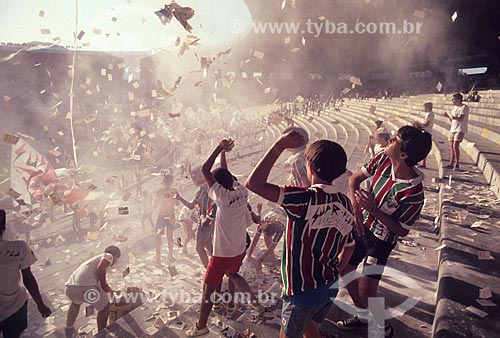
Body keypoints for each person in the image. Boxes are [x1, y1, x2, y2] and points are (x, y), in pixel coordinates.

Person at [245, 133, 356, 338]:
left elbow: (254, 184)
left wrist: (279, 145)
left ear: (310, 169)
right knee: (310, 327)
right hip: (329, 287)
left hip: (301, 293)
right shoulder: (345, 203)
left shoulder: (303, 199)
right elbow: (349, 246)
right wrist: (337, 270)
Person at [337, 126, 431, 338]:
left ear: (404, 154)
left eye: (395, 140)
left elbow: (401, 230)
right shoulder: (382, 159)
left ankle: (381, 329)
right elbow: (354, 180)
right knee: (345, 271)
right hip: (360, 225)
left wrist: (373, 210)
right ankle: (363, 317)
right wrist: (357, 212)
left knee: (367, 289)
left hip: (380, 239)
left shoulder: (413, 193)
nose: (389, 140)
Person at [186, 139, 267, 337]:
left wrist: (219, 148)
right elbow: (225, 172)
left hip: (222, 253)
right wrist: (224, 153)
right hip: (239, 249)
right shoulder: (241, 191)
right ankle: (257, 306)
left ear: (216, 185)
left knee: (208, 289)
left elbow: (206, 169)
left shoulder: (221, 197)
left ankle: (201, 327)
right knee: (233, 275)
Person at [0, 209, 51, 338]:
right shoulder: (19, 247)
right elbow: (28, 279)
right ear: (4, 227)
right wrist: (41, 304)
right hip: (15, 306)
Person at [64, 246, 121, 336]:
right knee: (105, 307)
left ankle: (68, 328)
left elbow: (96, 280)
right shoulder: (108, 256)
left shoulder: (94, 261)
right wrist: (105, 286)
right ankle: (101, 334)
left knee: (75, 304)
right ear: (115, 256)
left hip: (70, 287)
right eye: (117, 259)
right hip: (84, 288)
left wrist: (110, 290)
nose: (116, 262)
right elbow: (100, 269)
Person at [175, 166, 217, 268]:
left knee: (199, 248)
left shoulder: (203, 189)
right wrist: (190, 172)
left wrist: (179, 198)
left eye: (198, 176)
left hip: (204, 221)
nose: (196, 178)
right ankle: (217, 268)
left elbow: (190, 206)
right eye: (195, 176)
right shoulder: (211, 185)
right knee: (208, 246)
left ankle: (209, 270)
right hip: (211, 220)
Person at [154, 174, 179, 264]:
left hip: (164, 216)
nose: (167, 183)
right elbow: (177, 204)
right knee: (168, 237)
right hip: (169, 215)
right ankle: (168, 256)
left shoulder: (160, 191)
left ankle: (160, 257)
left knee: (160, 237)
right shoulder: (173, 191)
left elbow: (155, 204)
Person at [443, 93, 469, 170]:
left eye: (453, 99)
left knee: (455, 146)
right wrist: (448, 116)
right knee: (452, 147)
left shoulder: (464, 107)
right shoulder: (454, 108)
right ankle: (451, 163)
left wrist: (452, 116)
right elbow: (452, 120)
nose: (452, 101)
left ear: (458, 99)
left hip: (460, 129)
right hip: (453, 128)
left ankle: (457, 163)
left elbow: (461, 118)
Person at [412, 102, 435, 168]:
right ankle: (422, 162)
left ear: (427, 108)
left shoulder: (430, 114)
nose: (423, 109)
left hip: (427, 132)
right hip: (426, 132)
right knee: (422, 147)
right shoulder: (429, 114)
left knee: (423, 148)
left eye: (424, 107)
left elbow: (426, 124)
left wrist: (418, 123)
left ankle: (423, 163)